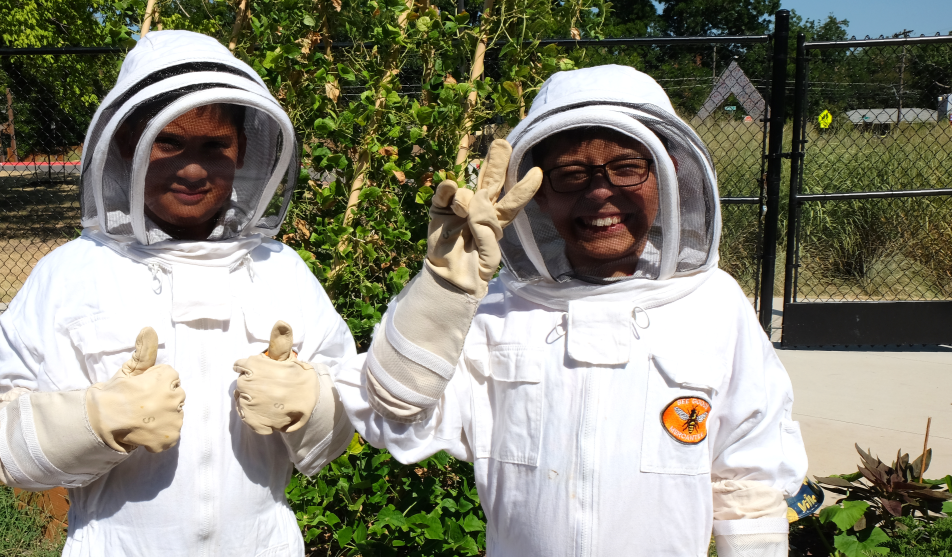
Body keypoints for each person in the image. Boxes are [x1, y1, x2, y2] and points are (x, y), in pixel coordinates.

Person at [336, 65, 809, 556]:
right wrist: (440, 296)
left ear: (667, 172)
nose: (600, 192)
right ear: (538, 193)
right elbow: (394, 413)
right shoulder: (498, 311)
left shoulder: (713, 305)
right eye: (570, 175)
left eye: (627, 166)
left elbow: (749, 476)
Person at [0, 31, 356, 556]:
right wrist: (92, 421)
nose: (194, 169)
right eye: (169, 143)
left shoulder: (282, 272)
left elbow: (338, 436)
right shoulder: (68, 276)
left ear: (245, 150)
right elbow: (5, 451)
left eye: (215, 146)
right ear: (126, 147)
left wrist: (312, 406)